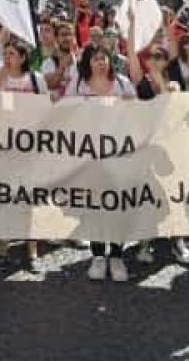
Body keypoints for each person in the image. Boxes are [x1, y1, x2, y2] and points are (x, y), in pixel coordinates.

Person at [65, 45, 136, 281]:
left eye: (104, 58)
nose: (100, 62)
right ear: (88, 62)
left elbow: (141, 115)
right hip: (89, 155)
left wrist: (129, 103)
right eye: (95, 59)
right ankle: (97, 256)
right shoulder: (78, 85)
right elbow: (65, 114)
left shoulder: (124, 83)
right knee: (94, 206)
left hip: (119, 154)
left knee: (117, 205)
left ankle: (116, 255)